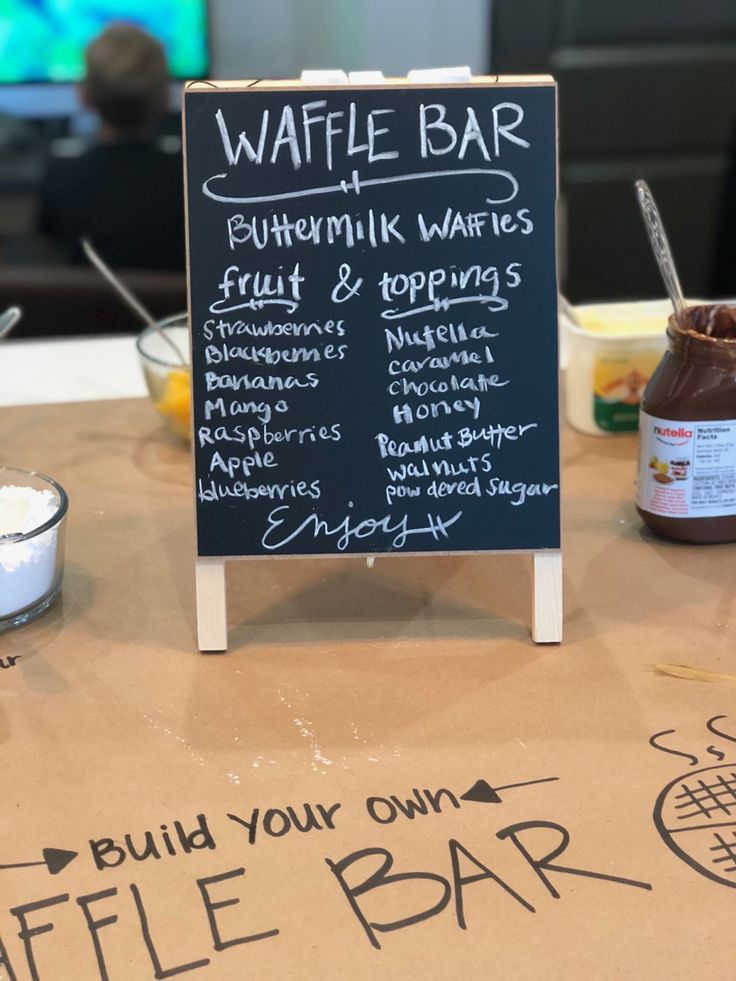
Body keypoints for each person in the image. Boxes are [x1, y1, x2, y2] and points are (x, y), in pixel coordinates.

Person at [37, 24, 185, 271]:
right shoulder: (192, 179)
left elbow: (49, 247)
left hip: (88, 310)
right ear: (165, 98)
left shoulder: (61, 177)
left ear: (84, 95)